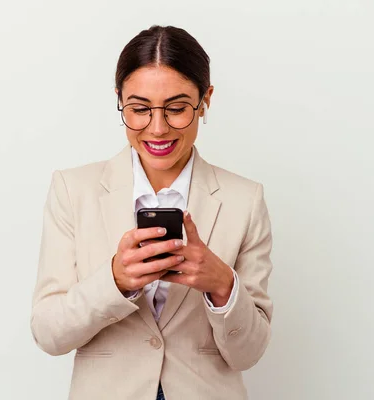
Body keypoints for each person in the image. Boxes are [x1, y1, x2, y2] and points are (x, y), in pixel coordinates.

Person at [30, 25, 274, 400]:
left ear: (205, 100)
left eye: (177, 109)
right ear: (119, 100)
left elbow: (249, 353)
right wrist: (114, 280)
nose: (157, 129)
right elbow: (48, 333)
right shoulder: (72, 189)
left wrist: (223, 285)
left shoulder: (245, 199)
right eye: (139, 109)